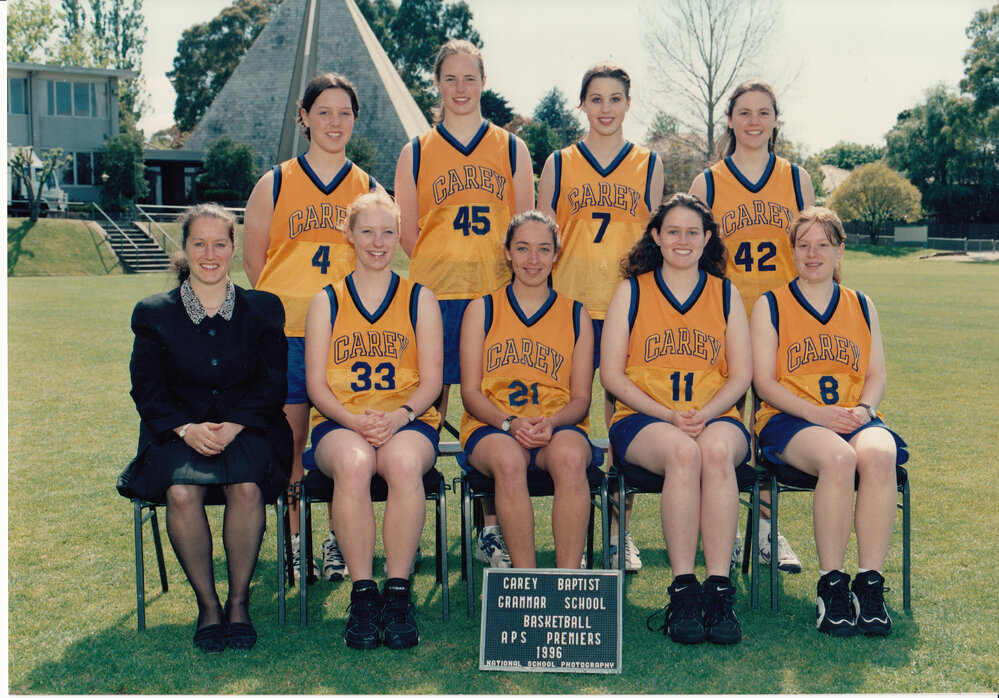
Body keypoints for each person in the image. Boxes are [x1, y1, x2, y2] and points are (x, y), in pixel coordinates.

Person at [119, 204, 293, 654]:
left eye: (220, 244)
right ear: (185, 247)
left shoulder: (264, 309)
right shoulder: (154, 313)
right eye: (199, 243)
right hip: (177, 435)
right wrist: (185, 428)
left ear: (234, 249)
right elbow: (148, 390)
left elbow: (272, 384)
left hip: (249, 430)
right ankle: (208, 606)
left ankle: (238, 603)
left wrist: (234, 425)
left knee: (248, 488)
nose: (210, 253)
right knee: (180, 492)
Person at [395, 39, 535, 569]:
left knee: (490, 409)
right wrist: (445, 265)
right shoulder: (417, 150)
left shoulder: (511, 148)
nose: (460, 88)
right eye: (450, 79)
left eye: (469, 78)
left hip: (495, 295)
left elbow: (524, 227)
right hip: (434, 295)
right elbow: (408, 230)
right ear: (437, 84)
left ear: (483, 81)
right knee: (431, 409)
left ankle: (490, 528)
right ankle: (412, 519)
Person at [244, 72, 379, 584]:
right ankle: (295, 541)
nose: (334, 122)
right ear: (304, 117)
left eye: (345, 112)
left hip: (347, 338)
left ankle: (336, 541)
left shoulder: (366, 187)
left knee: (343, 443)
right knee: (292, 442)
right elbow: (256, 264)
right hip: (287, 339)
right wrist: (292, 309)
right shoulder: (274, 182)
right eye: (324, 111)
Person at [601, 194, 751, 645]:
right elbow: (611, 373)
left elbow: (741, 372)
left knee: (718, 452)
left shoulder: (725, 292)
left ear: (707, 239)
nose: (682, 240)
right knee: (685, 454)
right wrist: (667, 414)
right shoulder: (632, 290)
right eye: (672, 232)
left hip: (714, 413)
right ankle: (684, 588)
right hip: (644, 417)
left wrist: (705, 412)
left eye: (692, 232)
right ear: (656, 237)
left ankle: (719, 589)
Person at [751, 207, 908, 637]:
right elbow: (763, 382)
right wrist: (817, 414)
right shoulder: (771, 305)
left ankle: (869, 585)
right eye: (804, 245)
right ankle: (832, 586)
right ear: (793, 251)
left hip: (852, 416)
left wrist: (866, 410)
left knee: (880, 454)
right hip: (790, 420)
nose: (813, 254)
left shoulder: (861, 303)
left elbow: (875, 374)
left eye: (823, 245)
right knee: (839, 459)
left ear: (840, 250)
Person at [537, 63, 664, 573]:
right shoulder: (560, 163)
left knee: (621, 422)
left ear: (628, 104)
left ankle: (617, 532)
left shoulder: (648, 163)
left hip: (624, 309)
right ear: (582, 105)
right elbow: (542, 239)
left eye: (615, 99)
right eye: (596, 99)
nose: (606, 108)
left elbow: (655, 244)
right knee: (563, 411)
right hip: (566, 307)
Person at [304, 192, 443, 650]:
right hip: (341, 421)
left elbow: (432, 382)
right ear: (349, 235)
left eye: (388, 232)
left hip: (409, 418)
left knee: (402, 466)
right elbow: (316, 387)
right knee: (354, 464)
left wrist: (400, 416)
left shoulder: (420, 298)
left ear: (398, 237)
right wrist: (355, 422)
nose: (378, 242)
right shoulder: (326, 300)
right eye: (367, 231)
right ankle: (363, 594)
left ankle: (398, 592)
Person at [689, 79, 816, 574]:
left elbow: (812, 245)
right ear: (729, 120)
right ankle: (720, 525)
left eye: (764, 112)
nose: (754, 121)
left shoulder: (797, 179)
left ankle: (765, 527)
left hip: (782, 316)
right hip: (726, 316)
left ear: (776, 120)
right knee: (725, 423)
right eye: (744, 112)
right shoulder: (710, 182)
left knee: (769, 420)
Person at [458, 211, 596, 569]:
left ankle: (569, 578)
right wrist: (509, 423)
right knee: (507, 460)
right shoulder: (482, 310)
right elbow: (471, 393)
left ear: (556, 254)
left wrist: (551, 423)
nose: (533, 260)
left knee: (569, 459)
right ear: (507, 252)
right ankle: (527, 577)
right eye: (523, 248)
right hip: (494, 425)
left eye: (543, 249)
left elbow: (582, 398)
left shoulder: (575, 314)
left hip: (557, 425)